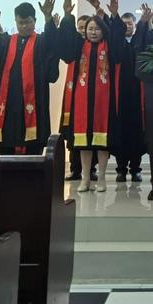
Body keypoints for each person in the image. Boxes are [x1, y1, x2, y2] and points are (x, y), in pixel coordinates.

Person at [0, 0, 59, 154]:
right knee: (7, 142)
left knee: (33, 144)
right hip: (9, 102)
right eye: (20, 23)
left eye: (28, 22)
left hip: (33, 101)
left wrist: (48, 17)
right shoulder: (6, 40)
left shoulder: (41, 41)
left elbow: (53, 43)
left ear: (35, 21)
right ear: (15, 21)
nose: (24, 26)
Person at [59, 0, 125, 192]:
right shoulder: (79, 46)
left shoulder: (110, 47)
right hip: (82, 101)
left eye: (97, 29)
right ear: (85, 32)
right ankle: (86, 179)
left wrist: (113, 14)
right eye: (90, 29)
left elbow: (118, 35)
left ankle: (102, 178)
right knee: (84, 142)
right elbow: (66, 45)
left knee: (102, 142)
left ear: (103, 31)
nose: (93, 32)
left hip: (104, 102)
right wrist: (68, 16)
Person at [61, 14, 97, 181]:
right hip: (73, 96)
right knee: (72, 135)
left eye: (86, 27)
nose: (83, 30)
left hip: (89, 96)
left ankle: (92, 170)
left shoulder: (96, 46)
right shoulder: (74, 45)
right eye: (80, 27)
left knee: (92, 133)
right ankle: (75, 169)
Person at [115, 11, 146, 182]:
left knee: (136, 135)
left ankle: (135, 169)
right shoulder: (116, 43)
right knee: (121, 133)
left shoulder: (139, 41)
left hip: (137, 95)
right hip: (120, 96)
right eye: (124, 23)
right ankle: (121, 169)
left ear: (135, 26)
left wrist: (146, 20)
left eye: (130, 24)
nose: (127, 26)